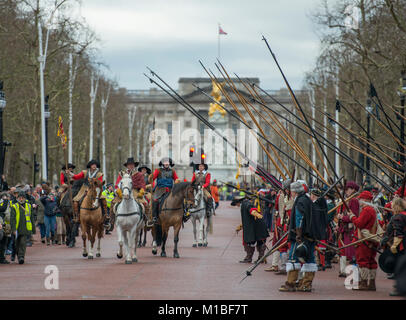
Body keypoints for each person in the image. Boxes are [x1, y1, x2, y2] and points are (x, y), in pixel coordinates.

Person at [279, 180, 317, 292]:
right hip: (310, 235)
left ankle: (290, 283)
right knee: (310, 259)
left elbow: (299, 219)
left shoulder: (300, 201)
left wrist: (298, 235)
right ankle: (306, 284)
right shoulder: (307, 200)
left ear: (294, 191)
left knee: (293, 259)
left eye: (291, 191)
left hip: (301, 236)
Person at [347, 190, 380, 291]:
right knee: (371, 261)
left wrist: (352, 217)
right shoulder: (372, 209)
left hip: (364, 240)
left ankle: (364, 283)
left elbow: (359, 224)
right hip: (370, 239)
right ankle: (372, 283)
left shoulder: (366, 210)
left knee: (363, 261)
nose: (359, 201)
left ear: (365, 200)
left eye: (360, 199)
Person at [266, 179, 292, 274]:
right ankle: (277, 265)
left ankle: (284, 266)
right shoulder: (282, 196)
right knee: (279, 245)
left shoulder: (290, 198)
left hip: (287, 224)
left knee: (286, 245)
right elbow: (277, 208)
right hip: (281, 223)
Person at [380, 197, 406, 296]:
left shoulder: (398, 217)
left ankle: (398, 289)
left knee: (399, 267)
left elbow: (398, 233)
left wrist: (394, 246)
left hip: (402, 246)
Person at [232, 195, 268, 264]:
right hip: (254, 225)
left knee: (256, 241)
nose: (237, 205)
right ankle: (253, 258)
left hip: (257, 225)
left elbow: (251, 209)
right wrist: (241, 226)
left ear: (238, 202)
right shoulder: (244, 204)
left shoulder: (246, 203)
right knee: (253, 242)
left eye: (236, 204)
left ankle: (259, 258)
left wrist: (254, 213)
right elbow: (247, 219)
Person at [69, 159, 107, 225]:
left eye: (95, 165)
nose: (94, 166)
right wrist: (69, 173)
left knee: (103, 200)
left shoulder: (99, 174)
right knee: (75, 201)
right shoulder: (85, 172)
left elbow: (100, 182)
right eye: (93, 165)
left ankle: (105, 215)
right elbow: (76, 177)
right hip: (85, 188)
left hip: (95, 189)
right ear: (90, 166)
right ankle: (77, 216)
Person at [337, 181, 360, 277]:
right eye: (345, 189)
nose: (346, 191)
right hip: (346, 229)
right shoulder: (350, 199)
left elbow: (353, 216)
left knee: (353, 254)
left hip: (350, 230)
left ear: (353, 190)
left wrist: (342, 217)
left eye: (348, 189)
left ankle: (356, 276)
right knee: (347, 252)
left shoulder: (353, 200)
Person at [151, 157, 180, 224]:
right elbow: (152, 178)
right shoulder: (158, 170)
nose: (166, 163)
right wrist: (151, 177)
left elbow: (176, 179)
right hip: (160, 190)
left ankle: (183, 214)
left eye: (168, 162)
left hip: (170, 190)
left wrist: (177, 182)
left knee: (179, 199)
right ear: (162, 163)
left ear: (169, 163)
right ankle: (155, 217)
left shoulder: (172, 171)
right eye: (165, 162)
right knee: (155, 201)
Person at [10, 191, 34, 264]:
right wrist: (13, 229)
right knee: (16, 244)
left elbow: (31, 217)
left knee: (23, 243)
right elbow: (12, 218)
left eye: (22, 198)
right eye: (20, 197)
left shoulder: (29, 206)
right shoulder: (14, 206)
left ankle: (21, 257)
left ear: (24, 198)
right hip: (17, 228)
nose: (21, 199)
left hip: (25, 228)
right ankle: (18, 255)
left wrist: (33, 229)